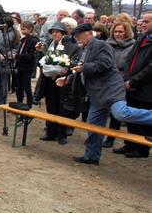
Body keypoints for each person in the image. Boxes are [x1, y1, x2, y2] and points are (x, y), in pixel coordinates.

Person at [55, 23, 152, 164]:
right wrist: (68, 79)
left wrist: (84, 67)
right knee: (93, 126)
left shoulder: (101, 45)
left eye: (80, 37)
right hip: (97, 96)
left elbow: (105, 64)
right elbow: (82, 72)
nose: (78, 40)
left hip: (111, 90)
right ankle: (91, 156)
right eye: (76, 37)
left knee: (121, 114)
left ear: (89, 34)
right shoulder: (85, 49)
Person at [36, 22, 80, 144]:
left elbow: (75, 61)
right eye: (53, 32)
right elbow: (45, 60)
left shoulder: (72, 45)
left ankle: (61, 134)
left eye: (57, 32)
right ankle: (50, 132)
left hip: (63, 81)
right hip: (50, 80)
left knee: (62, 108)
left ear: (63, 33)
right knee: (51, 106)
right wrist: (41, 52)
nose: (55, 34)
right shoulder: (50, 44)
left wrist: (67, 67)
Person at [118, 12, 152, 158]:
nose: (143, 24)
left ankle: (141, 149)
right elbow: (128, 59)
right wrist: (127, 78)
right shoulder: (142, 37)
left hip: (146, 88)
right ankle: (129, 145)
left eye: (147, 21)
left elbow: (150, 68)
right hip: (131, 85)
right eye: (142, 21)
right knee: (131, 117)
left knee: (142, 119)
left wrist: (133, 81)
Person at [102, 21, 136, 148]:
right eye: (115, 31)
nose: (118, 34)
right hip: (105, 79)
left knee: (116, 113)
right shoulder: (107, 44)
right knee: (102, 109)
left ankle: (111, 138)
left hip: (121, 81)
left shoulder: (132, 46)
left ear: (126, 32)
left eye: (121, 31)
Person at [14, 21, 39, 108]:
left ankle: (29, 105)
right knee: (19, 87)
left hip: (27, 67)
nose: (22, 31)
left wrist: (17, 56)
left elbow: (30, 55)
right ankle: (19, 103)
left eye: (24, 29)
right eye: (21, 29)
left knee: (26, 87)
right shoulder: (24, 39)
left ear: (30, 29)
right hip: (20, 66)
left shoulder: (34, 40)